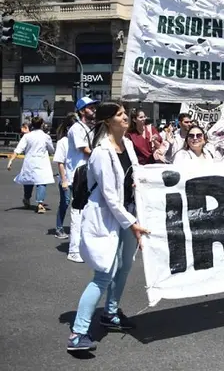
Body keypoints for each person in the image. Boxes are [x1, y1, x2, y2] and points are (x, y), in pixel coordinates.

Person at [67, 102, 150, 352]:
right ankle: (78, 333)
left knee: (124, 268)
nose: (126, 117)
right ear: (107, 121)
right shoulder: (102, 152)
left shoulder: (128, 146)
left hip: (128, 215)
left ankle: (110, 314)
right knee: (103, 274)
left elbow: (134, 176)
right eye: (120, 114)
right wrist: (133, 224)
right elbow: (110, 196)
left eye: (126, 114)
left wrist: (138, 185)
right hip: (108, 217)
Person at [65, 96, 100, 263]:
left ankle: (84, 246)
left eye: (94, 106)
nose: (93, 109)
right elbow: (85, 149)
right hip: (79, 174)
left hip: (89, 174)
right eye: (90, 107)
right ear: (81, 111)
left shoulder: (91, 127)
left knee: (89, 212)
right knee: (78, 213)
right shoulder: (77, 129)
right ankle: (73, 250)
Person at [6, 116, 55, 214]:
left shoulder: (27, 136)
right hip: (42, 163)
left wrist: (10, 161)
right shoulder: (46, 136)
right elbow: (51, 150)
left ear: (32, 124)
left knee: (29, 181)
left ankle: (27, 198)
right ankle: (40, 204)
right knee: (41, 182)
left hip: (30, 162)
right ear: (41, 125)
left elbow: (18, 149)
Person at [53, 113, 78, 239]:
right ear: (69, 129)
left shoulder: (81, 141)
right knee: (65, 203)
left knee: (80, 205)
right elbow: (60, 162)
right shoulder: (63, 142)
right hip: (67, 179)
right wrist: (64, 180)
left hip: (79, 179)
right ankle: (59, 228)